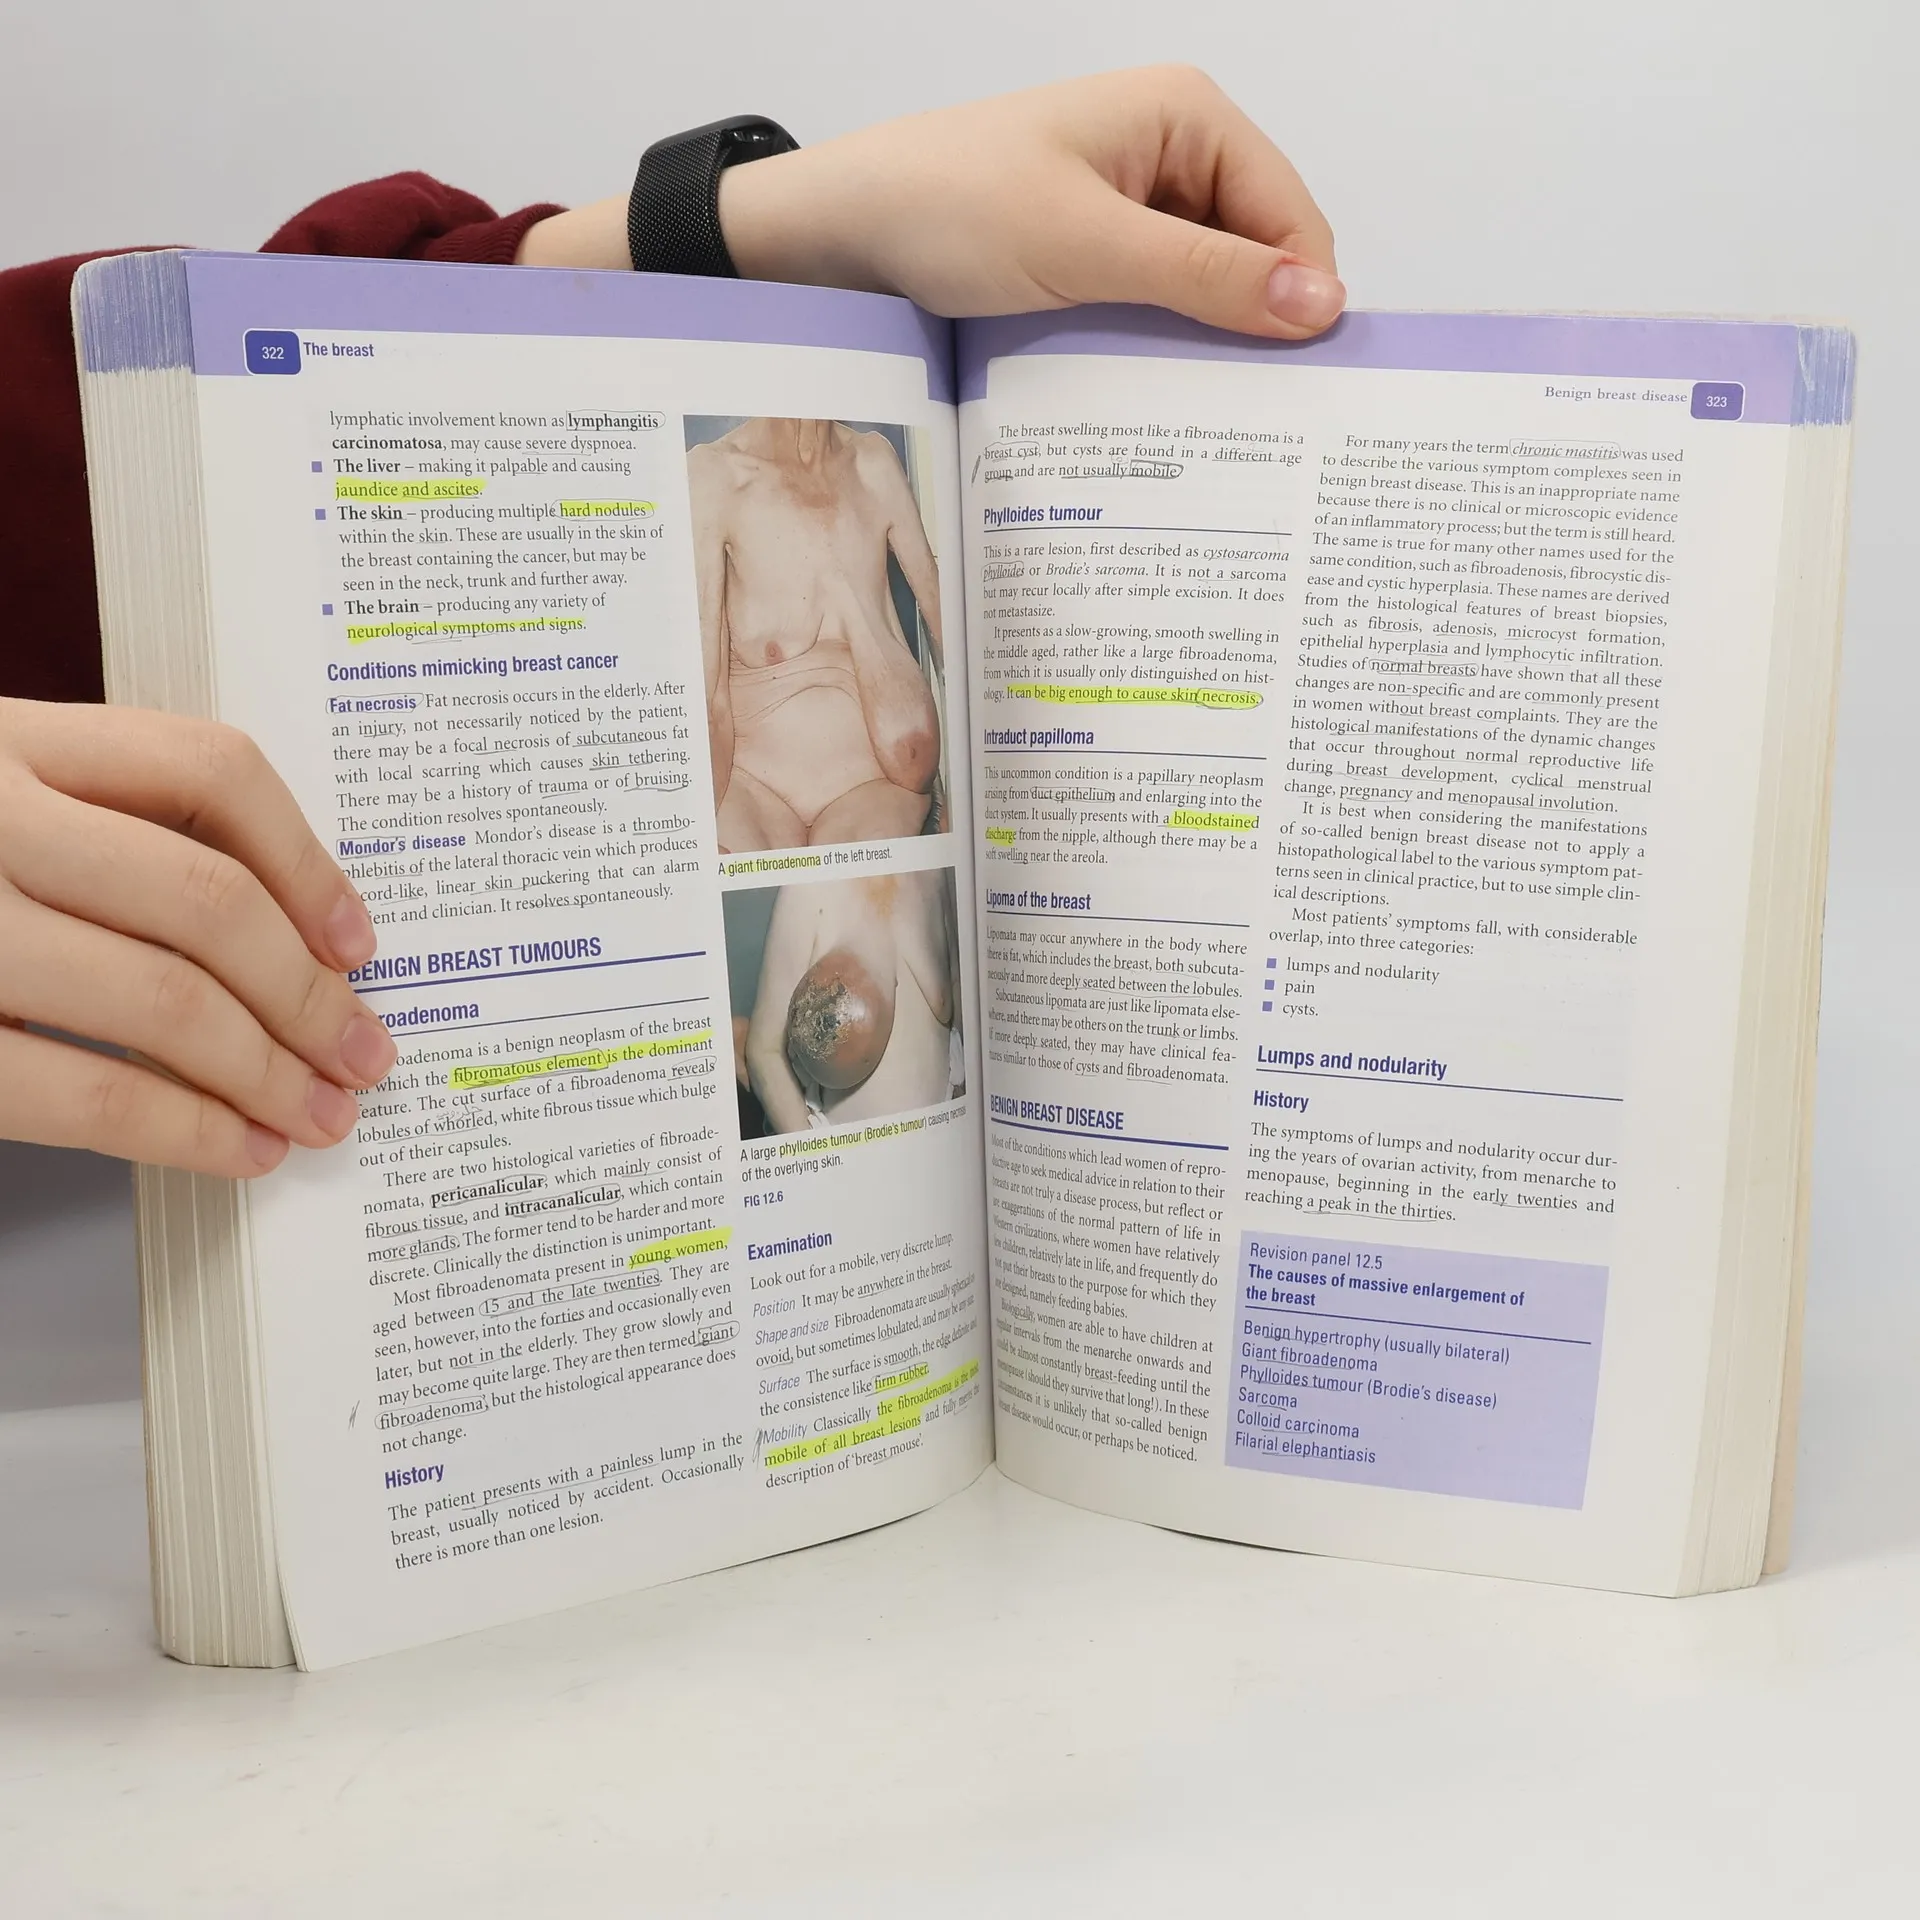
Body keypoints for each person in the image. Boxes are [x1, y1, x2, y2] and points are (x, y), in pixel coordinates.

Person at [0, 66, 1344, 1179]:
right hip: (731, 813)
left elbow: (163, 407)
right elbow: (699, 673)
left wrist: (760, 223)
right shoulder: (712, 482)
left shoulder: (879, 462)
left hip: (883, 793)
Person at [690, 417, 944, 853]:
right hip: (752, 788)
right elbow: (705, 693)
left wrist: (968, 799)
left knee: (866, 890)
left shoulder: (873, 462)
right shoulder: (714, 475)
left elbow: (951, 636)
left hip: (874, 788)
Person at [744, 871, 962, 1133]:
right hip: (851, 1151)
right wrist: (820, 1153)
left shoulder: (936, 872)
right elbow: (764, 1051)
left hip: (945, 1138)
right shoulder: (806, 888)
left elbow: (959, 1010)